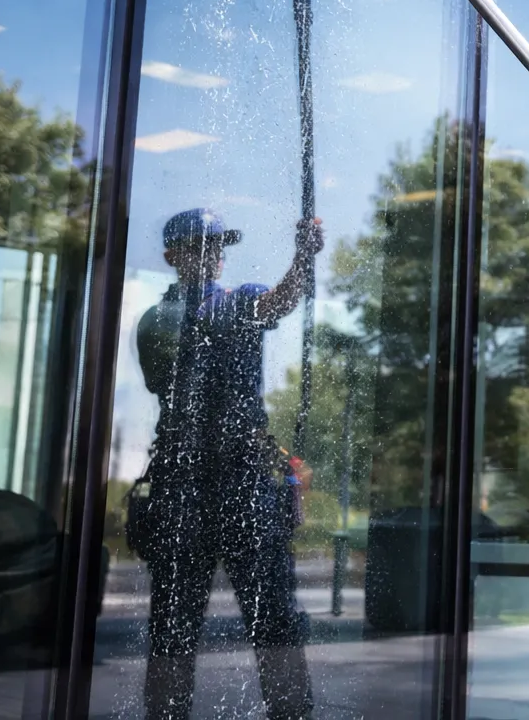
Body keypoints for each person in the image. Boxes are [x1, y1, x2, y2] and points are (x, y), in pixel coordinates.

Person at [135, 209, 324, 720]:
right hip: (209, 480)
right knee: (200, 622)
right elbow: (278, 301)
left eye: (219, 246)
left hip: (209, 479)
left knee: (250, 620)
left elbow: (277, 300)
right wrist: (303, 259)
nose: (214, 254)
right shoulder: (192, 313)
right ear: (174, 255)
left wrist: (302, 259)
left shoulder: (177, 316)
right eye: (201, 245)